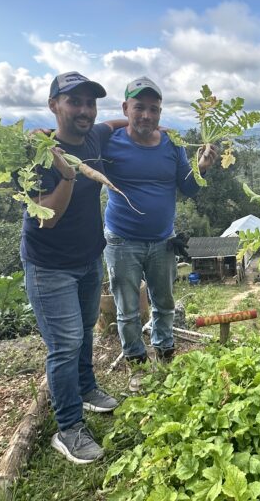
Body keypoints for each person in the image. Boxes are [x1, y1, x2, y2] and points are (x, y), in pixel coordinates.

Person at [22, 71, 123, 464]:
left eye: (90, 103)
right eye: (74, 101)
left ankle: (86, 387)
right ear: (53, 105)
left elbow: (116, 124)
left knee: (83, 334)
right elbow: (47, 217)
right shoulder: (35, 156)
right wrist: (65, 172)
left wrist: (154, 123)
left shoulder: (95, 135)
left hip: (88, 257)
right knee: (63, 346)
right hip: (50, 266)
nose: (84, 110)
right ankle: (68, 428)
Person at [101, 77, 217, 391]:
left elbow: (189, 187)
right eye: (139, 108)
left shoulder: (173, 144)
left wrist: (202, 167)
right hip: (121, 239)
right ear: (126, 108)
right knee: (126, 308)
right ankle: (136, 365)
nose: (147, 115)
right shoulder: (110, 142)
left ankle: (165, 355)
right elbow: (85, 134)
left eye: (154, 109)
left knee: (163, 302)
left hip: (163, 239)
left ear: (160, 112)